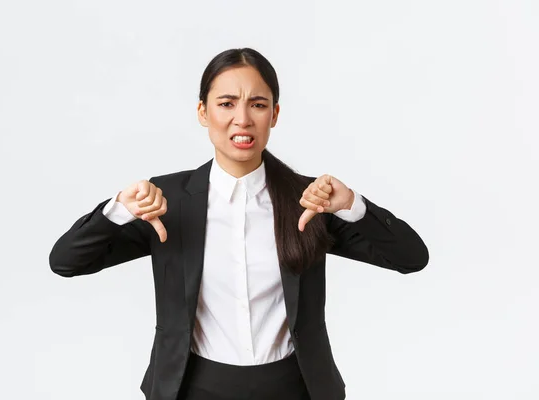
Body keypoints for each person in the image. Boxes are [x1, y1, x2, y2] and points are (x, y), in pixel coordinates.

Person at [49, 47, 429, 400]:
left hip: (296, 389)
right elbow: (66, 261)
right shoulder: (167, 202)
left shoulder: (309, 202)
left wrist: (350, 205)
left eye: (258, 104)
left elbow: (411, 257)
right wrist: (118, 209)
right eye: (226, 103)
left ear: (274, 115)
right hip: (192, 389)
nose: (242, 119)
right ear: (203, 112)